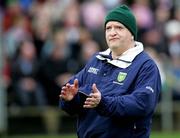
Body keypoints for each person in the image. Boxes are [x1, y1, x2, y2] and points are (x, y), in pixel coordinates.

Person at [59, 4, 161, 138]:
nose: (112, 32)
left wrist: (103, 103)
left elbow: (142, 104)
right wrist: (71, 99)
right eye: (108, 28)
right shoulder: (96, 60)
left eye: (119, 27)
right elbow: (74, 101)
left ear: (132, 34)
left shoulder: (146, 66)